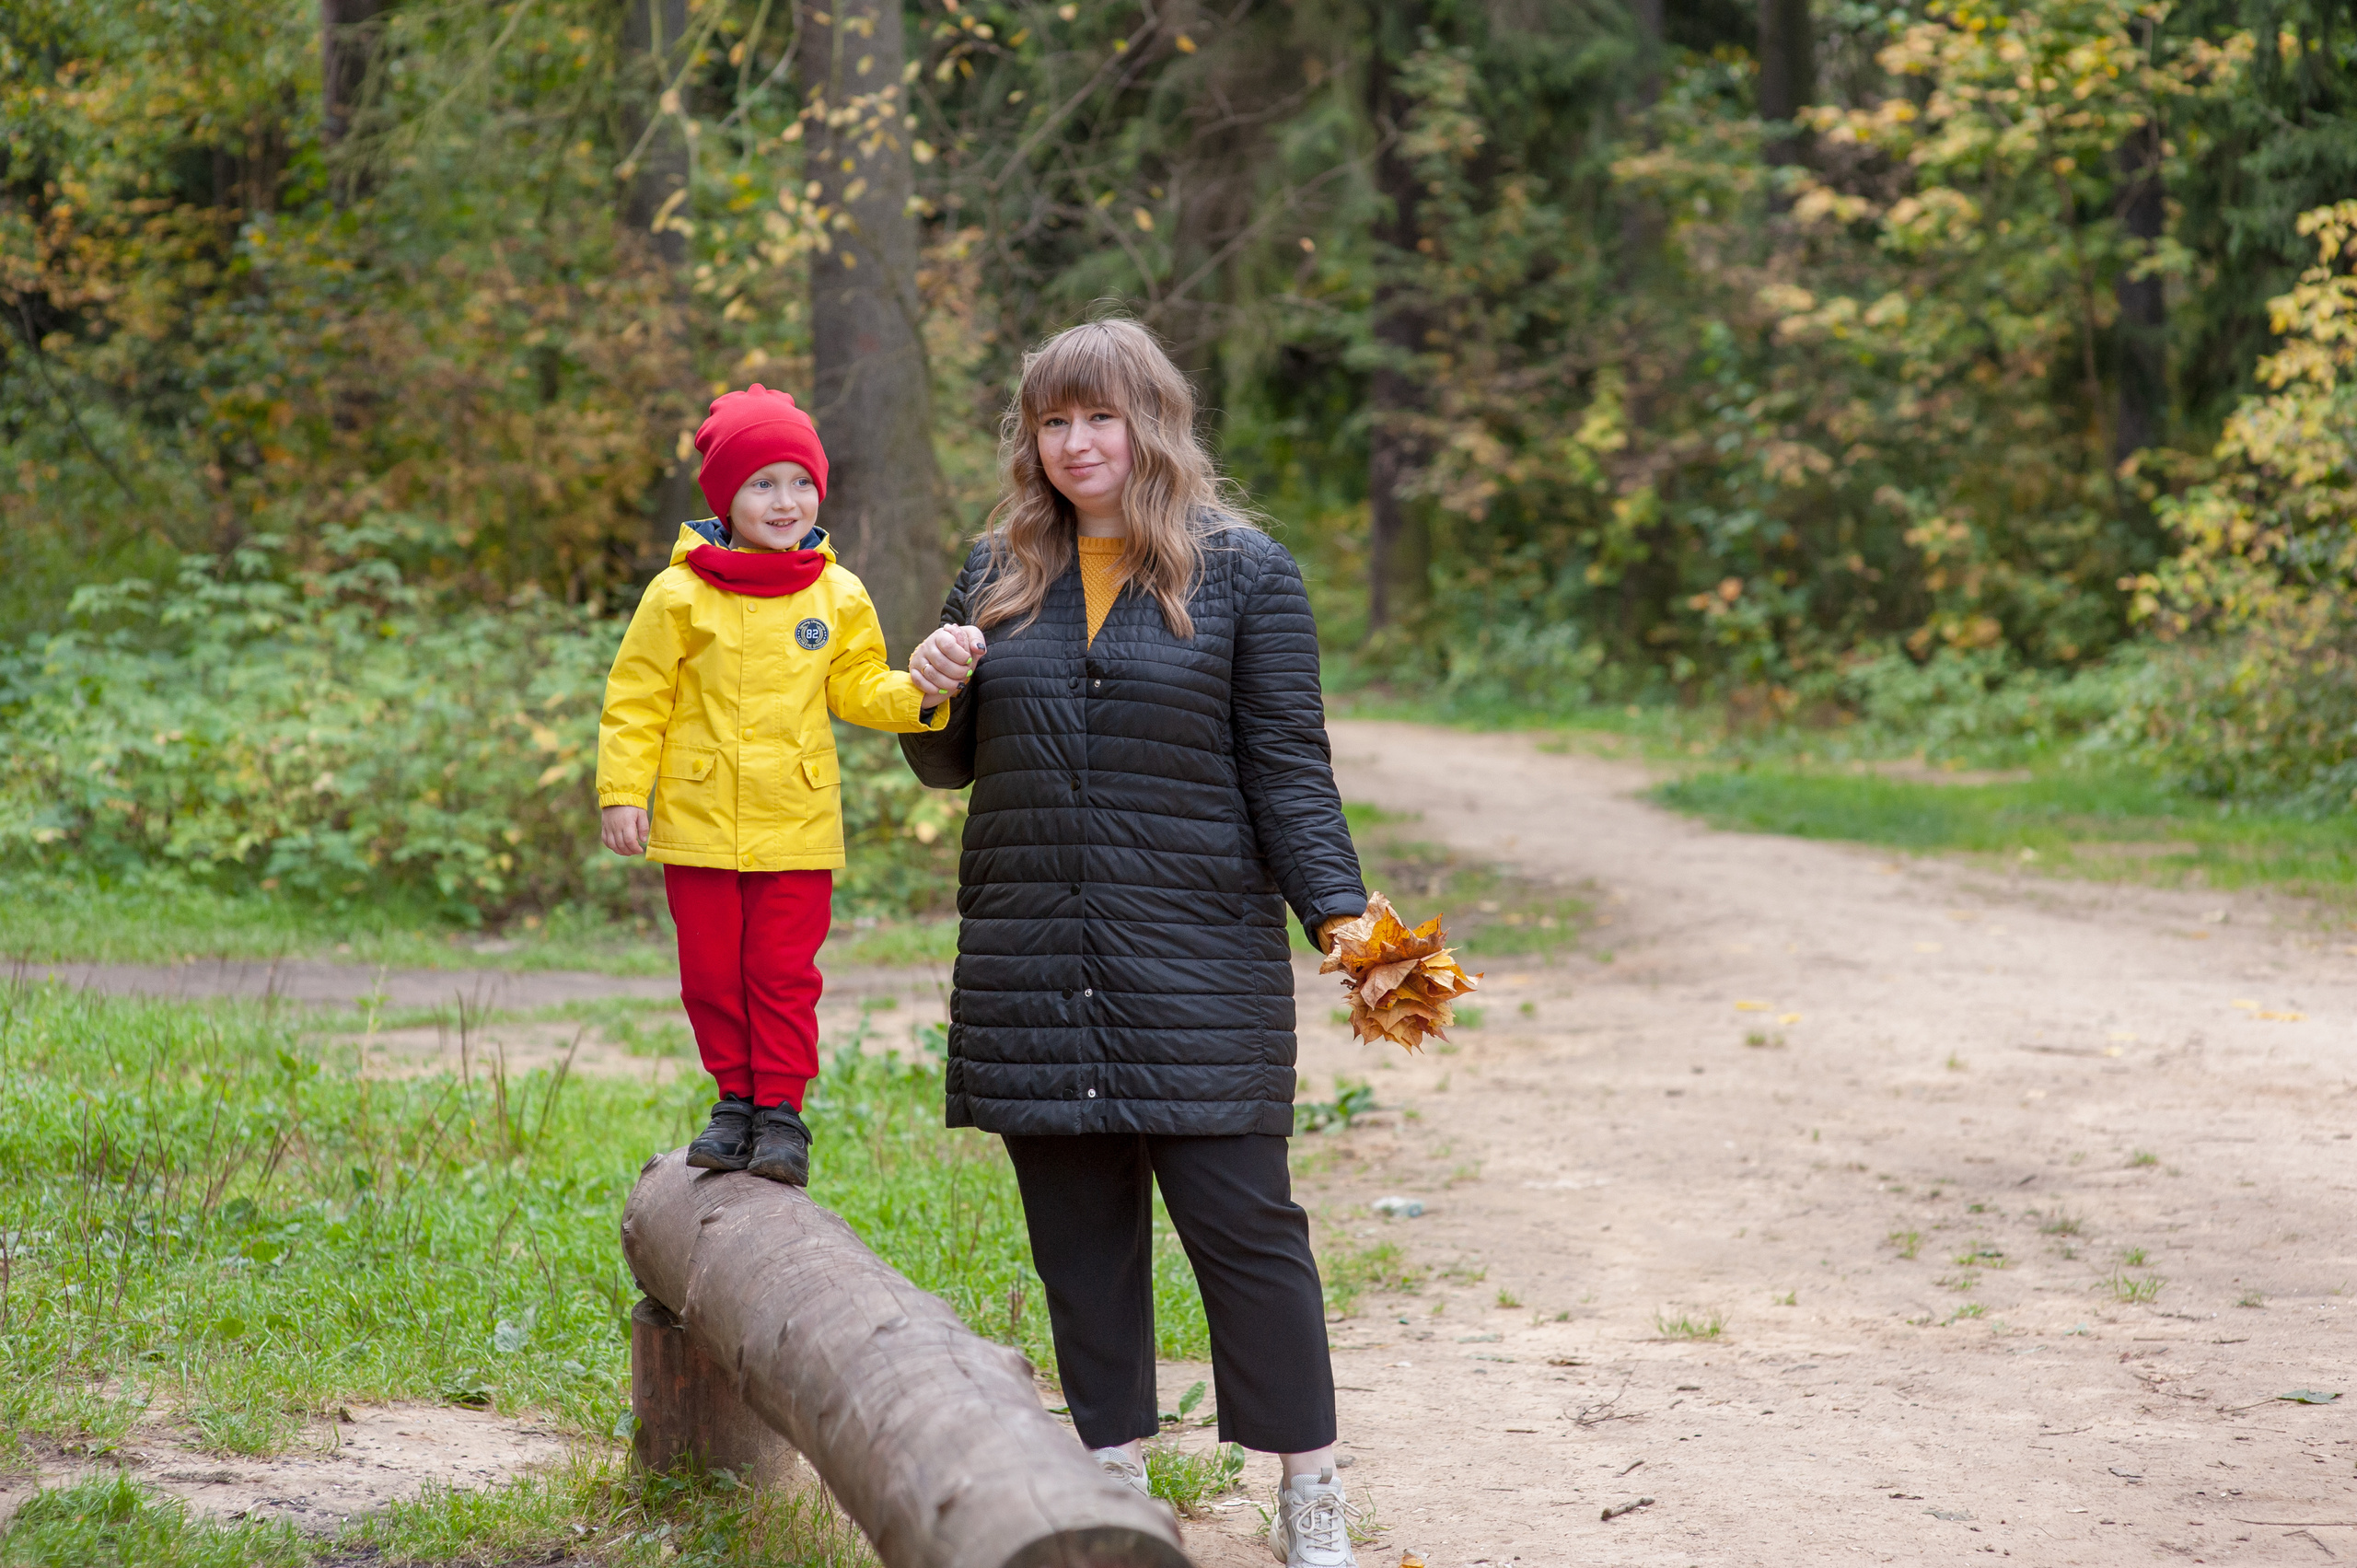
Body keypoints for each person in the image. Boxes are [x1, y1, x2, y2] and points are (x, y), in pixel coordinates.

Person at [899, 320, 1370, 1568]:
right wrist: (930, 684)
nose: (1075, 443)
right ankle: (1108, 1482)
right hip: (1036, 959)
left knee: (1247, 1226)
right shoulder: (997, 568)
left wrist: (1342, 914)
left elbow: (1289, 769)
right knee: (1078, 1236)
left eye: (1097, 416)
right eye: (1052, 421)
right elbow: (944, 760)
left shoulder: (1244, 572)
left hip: (1197, 956)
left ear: (1149, 421)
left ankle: (1310, 1490)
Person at [596, 384, 948, 1186]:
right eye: (762, 483)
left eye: (800, 481)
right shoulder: (678, 595)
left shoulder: (837, 592)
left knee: (783, 973)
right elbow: (636, 697)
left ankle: (782, 1113)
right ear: (725, 496)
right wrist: (623, 791)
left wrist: (923, 694)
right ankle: (734, 1102)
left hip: (795, 821)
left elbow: (858, 685)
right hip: (698, 820)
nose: (786, 501)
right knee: (712, 974)